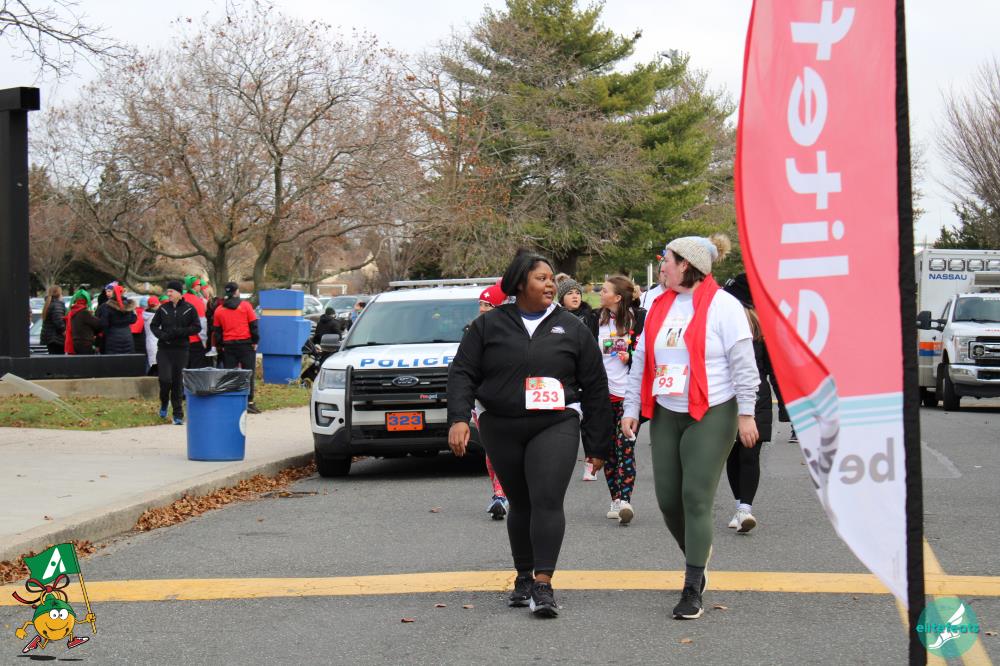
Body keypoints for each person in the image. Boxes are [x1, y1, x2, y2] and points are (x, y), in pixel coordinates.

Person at [448, 251, 613, 618]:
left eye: (552, 279)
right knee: (521, 502)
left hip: (555, 423)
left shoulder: (572, 327)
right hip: (501, 424)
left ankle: (543, 582)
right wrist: (459, 418)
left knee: (547, 498)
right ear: (520, 283)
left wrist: (598, 443)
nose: (550, 284)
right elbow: (462, 372)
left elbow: (595, 386)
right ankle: (523, 575)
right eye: (541, 279)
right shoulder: (488, 325)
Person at [621, 235, 760, 621]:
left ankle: (692, 584)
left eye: (666, 260)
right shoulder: (656, 305)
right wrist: (631, 408)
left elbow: (744, 365)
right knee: (668, 500)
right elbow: (641, 360)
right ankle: (698, 552)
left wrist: (747, 414)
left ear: (686, 264)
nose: (661, 267)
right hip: (667, 409)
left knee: (695, 497)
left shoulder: (724, 306)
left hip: (712, 410)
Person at [722, 273, 775, 534]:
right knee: (733, 454)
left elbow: (775, 370)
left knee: (749, 452)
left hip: (757, 397)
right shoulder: (721, 325)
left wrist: (789, 406)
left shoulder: (763, 329)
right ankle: (739, 505)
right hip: (725, 397)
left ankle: (745, 508)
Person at [593, 276, 646, 525]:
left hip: (629, 397)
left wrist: (630, 356)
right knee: (609, 451)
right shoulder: (596, 320)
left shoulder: (639, 319)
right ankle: (615, 498)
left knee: (625, 448)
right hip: (604, 396)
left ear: (617, 297)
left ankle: (625, 500)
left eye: (604, 290)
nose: (600, 293)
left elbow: (647, 354)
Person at [470, 283, 511, 521]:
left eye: (488, 305)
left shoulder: (515, 332)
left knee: (509, 449)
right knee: (492, 450)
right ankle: (499, 495)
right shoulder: (475, 331)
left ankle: (510, 492)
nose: (483, 309)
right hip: (483, 402)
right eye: (481, 304)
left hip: (511, 401)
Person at [150, 280, 201, 424]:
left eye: (171, 291)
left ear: (179, 293)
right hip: (164, 349)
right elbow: (154, 326)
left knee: (178, 382)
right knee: (165, 379)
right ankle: (164, 402)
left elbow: (197, 327)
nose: (168, 294)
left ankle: (178, 414)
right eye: (168, 291)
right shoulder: (163, 308)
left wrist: (180, 332)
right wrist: (162, 335)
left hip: (181, 349)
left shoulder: (189, 309)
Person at [213, 282, 261, 414]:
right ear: (236, 292)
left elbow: (217, 331)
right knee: (248, 374)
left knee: (230, 374)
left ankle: (231, 401)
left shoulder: (219, 310)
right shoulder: (245, 306)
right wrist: (255, 341)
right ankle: (249, 402)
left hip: (229, 346)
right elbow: (253, 325)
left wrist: (221, 345)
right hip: (246, 344)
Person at [99, 284, 138, 354]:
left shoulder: (107, 306)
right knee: (127, 358)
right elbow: (133, 320)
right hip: (127, 336)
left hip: (112, 337)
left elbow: (103, 323)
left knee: (113, 359)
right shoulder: (128, 305)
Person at [182, 275, 210, 368]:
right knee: (195, 370)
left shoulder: (180, 300)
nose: (200, 287)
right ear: (194, 286)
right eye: (199, 285)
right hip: (195, 341)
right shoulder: (198, 301)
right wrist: (204, 342)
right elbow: (202, 323)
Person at [64, 290, 102, 355]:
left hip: (74, 343)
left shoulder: (72, 311)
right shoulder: (84, 312)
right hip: (85, 343)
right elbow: (98, 324)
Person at [40, 285, 66, 355]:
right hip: (56, 338)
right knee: (58, 358)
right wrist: (64, 331)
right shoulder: (57, 304)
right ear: (59, 294)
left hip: (49, 337)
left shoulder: (49, 303)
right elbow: (58, 320)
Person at [143, 296, 160, 375]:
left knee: (152, 363)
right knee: (155, 364)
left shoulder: (146, 314)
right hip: (155, 341)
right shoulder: (155, 316)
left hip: (150, 341)